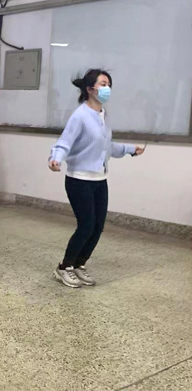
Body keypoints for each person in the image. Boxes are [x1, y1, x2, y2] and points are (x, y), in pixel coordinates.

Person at [49, 69, 145, 288]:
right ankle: (64, 267)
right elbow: (64, 142)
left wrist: (130, 149)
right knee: (86, 225)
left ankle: (79, 264)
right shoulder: (80, 115)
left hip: (99, 179)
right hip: (79, 179)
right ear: (89, 89)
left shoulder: (103, 115)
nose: (107, 88)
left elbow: (105, 146)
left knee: (98, 226)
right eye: (103, 84)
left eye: (108, 84)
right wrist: (55, 159)